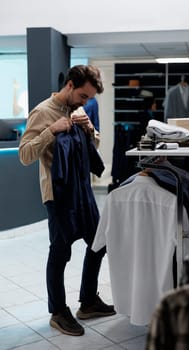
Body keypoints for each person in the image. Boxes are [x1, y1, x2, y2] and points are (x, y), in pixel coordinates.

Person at [19, 65, 116, 337]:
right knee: (60, 252)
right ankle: (58, 311)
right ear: (71, 85)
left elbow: (93, 146)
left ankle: (87, 301)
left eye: (89, 99)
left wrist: (90, 131)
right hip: (59, 194)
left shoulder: (80, 110)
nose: (86, 102)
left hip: (83, 190)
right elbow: (25, 155)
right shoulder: (42, 112)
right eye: (84, 96)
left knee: (99, 243)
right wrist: (51, 131)